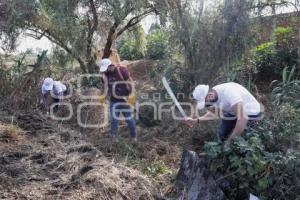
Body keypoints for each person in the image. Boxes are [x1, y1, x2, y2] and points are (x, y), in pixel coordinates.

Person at [185, 82, 262, 141]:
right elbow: (214, 113)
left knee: (243, 141)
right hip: (233, 112)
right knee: (222, 135)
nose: (206, 105)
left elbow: (243, 118)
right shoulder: (213, 94)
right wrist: (196, 120)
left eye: (206, 103)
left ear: (210, 96)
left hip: (251, 114)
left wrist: (230, 141)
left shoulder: (229, 93)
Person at [99, 58, 137, 141]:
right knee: (114, 120)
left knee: (129, 119)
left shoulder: (122, 70)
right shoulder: (106, 75)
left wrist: (132, 95)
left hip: (125, 101)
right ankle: (114, 138)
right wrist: (103, 96)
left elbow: (130, 82)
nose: (105, 71)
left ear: (110, 66)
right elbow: (106, 87)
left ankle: (134, 137)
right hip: (113, 101)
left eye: (106, 68)